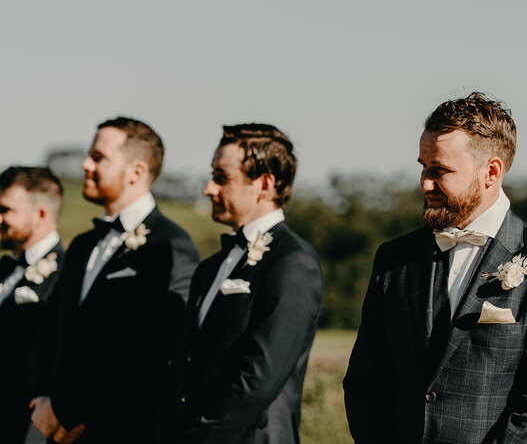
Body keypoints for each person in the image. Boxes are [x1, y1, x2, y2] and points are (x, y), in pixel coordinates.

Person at [343, 92, 527, 444]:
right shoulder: (394, 258)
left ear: (491, 172)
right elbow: (365, 380)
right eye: (423, 166)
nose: (425, 182)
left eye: (440, 170)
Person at [29, 117, 199, 444]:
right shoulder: (81, 245)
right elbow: (51, 330)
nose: (85, 164)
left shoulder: (170, 247)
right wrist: (44, 402)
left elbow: (149, 351)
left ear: (136, 172)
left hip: (121, 429)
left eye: (98, 157)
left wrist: (72, 411)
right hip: (54, 430)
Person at [176, 124, 322, 444]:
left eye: (221, 177)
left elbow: (257, 380)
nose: (208, 189)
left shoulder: (293, 263)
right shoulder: (210, 267)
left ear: (265, 184)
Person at [0, 167, 65, 444]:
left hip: (25, 426)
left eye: (5, 209)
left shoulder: (67, 274)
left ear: (40, 214)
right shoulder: (5, 267)